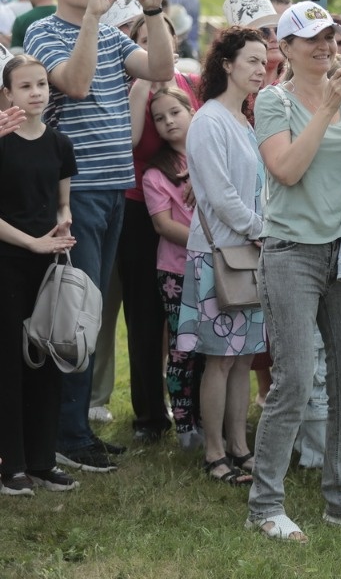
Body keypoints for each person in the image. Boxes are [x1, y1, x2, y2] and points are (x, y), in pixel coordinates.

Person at [247, 1, 341, 541]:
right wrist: (326, 108)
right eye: (310, 38)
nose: (324, 46)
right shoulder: (272, 99)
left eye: (330, 37)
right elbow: (285, 170)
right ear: (284, 49)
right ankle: (265, 506)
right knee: (293, 381)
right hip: (292, 252)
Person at [25, 0, 175, 472]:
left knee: (88, 313)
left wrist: (154, 11)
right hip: (76, 193)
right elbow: (77, 84)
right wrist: (91, 19)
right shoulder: (42, 31)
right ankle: (66, 431)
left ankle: (76, 425)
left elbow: (161, 68)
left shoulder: (113, 34)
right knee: (76, 311)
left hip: (115, 189)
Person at [177, 26, 267, 485]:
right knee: (219, 359)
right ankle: (214, 452)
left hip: (249, 252)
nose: (260, 67)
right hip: (218, 253)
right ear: (226, 64)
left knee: (245, 357)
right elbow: (220, 196)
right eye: (251, 59)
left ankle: (239, 445)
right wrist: (262, 230)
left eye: (264, 59)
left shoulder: (245, 120)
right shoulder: (209, 120)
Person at [0, 54, 78, 496]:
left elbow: (62, 201)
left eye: (42, 85)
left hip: (49, 263)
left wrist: (63, 223)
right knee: (9, 363)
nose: (35, 93)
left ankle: (43, 460)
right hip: (8, 262)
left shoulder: (59, 143)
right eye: (25, 86)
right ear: (8, 93)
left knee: (47, 357)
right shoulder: (2, 141)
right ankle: (11, 465)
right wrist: (30, 242)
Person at [141, 87, 204, 450]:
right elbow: (164, 225)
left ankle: (211, 418)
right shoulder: (156, 173)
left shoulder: (213, 153)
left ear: (191, 109)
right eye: (159, 119)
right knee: (183, 351)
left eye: (174, 113)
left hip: (219, 267)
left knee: (215, 350)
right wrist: (209, 244)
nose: (168, 122)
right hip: (177, 273)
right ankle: (184, 425)